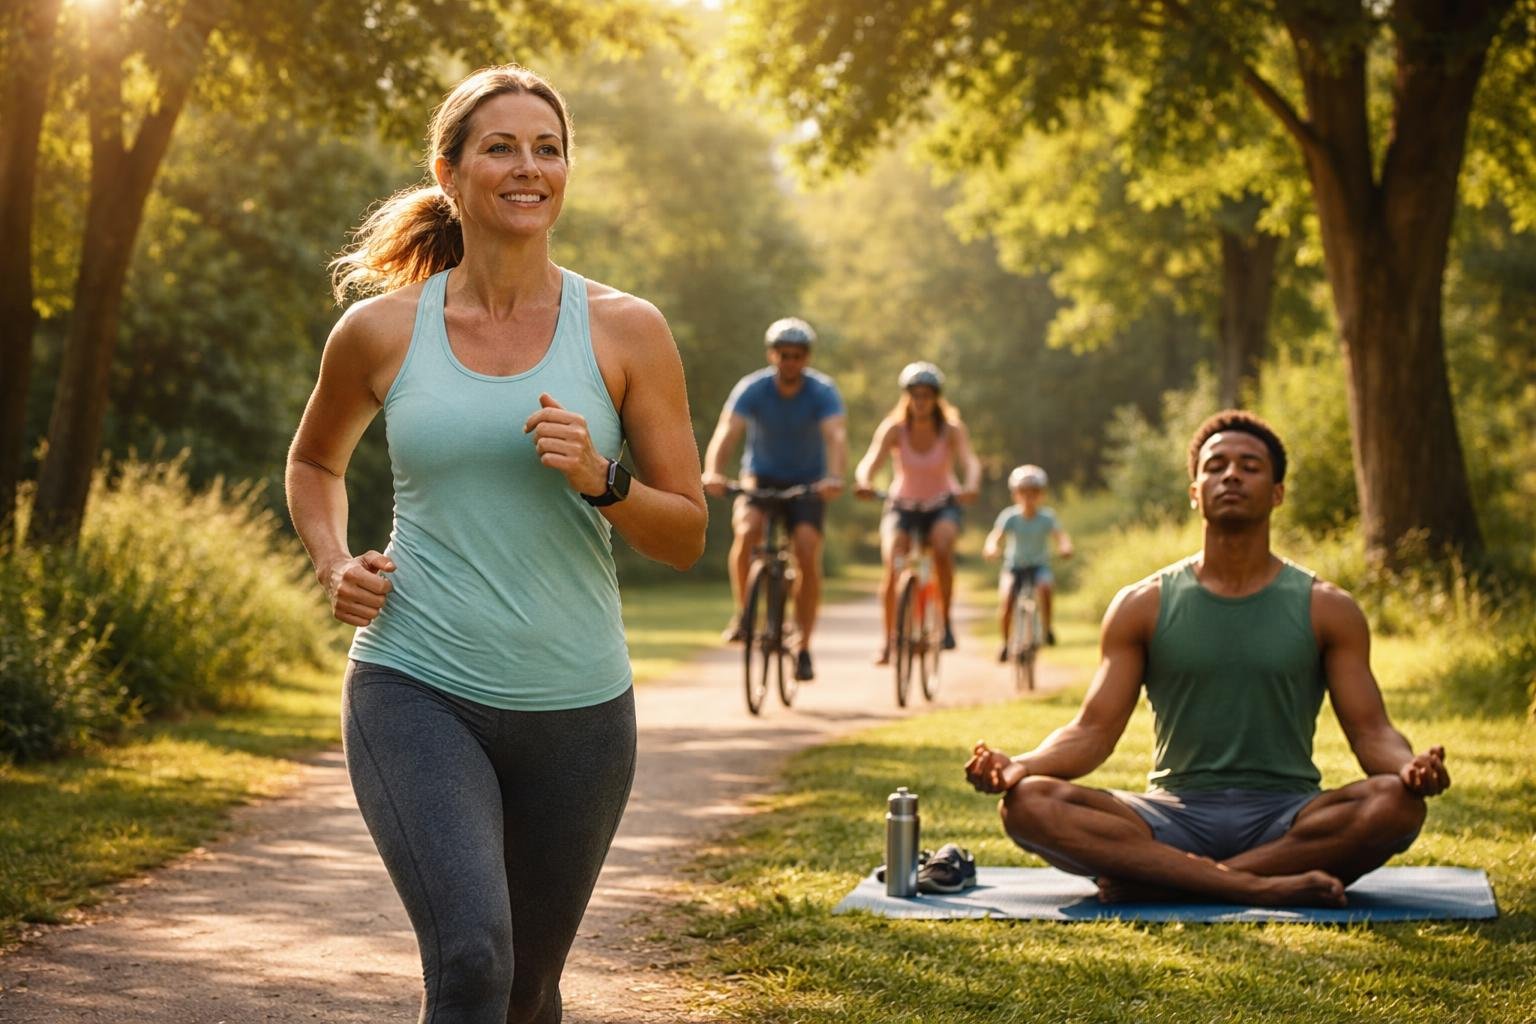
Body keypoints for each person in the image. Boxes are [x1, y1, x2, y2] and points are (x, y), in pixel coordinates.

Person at [285, 65, 706, 1023]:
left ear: (566, 173)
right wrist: (334, 561)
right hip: (416, 681)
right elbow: (313, 462)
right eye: (501, 147)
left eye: (548, 149)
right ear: (450, 172)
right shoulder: (381, 332)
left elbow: (686, 534)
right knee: (472, 956)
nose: (529, 167)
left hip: (580, 708)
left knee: (526, 990)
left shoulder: (627, 330)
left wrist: (601, 477)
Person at [964, 410, 1448, 907]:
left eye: (1249, 466)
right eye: (1216, 466)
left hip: (1286, 819)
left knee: (1396, 804)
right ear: (1195, 491)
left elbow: (1372, 732)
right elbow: (1091, 732)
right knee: (1029, 803)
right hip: (1171, 818)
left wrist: (1408, 767)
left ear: (1277, 493)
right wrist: (1019, 765)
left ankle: (1166, 880)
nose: (1231, 475)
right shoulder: (1143, 604)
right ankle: (1254, 884)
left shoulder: (1328, 608)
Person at [701, 318, 847, 681]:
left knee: (807, 549)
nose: (790, 362)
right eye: (784, 355)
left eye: (797, 355)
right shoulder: (753, 388)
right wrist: (714, 472)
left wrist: (834, 477)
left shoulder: (822, 391)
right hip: (761, 476)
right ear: (772, 355)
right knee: (746, 529)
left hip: (808, 482)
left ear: (807, 358)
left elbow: (836, 436)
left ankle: (804, 646)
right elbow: (727, 431)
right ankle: (744, 615)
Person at [853, 361, 980, 662]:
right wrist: (865, 481)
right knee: (893, 562)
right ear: (907, 396)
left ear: (936, 397)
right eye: (915, 395)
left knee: (942, 546)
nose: (921, 401)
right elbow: (870, 460)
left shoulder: (950, 429)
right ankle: (889, 641)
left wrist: (971, 485)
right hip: (902, 505)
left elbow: (970, 461)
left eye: (927, 395)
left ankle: (945, 622)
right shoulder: (894, 429)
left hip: (941, 504)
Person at [984, 464, 1073, 660]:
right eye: (1023, 492)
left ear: (1041, 495)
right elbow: (996, 535)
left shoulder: (1047, 517)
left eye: (1034, 493)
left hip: (1039, 566)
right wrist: (991, 547)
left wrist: (1065, 547)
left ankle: (1047, 628)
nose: (1028, 497)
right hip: (1014, 567)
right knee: (1007, 599)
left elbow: (1060, 535)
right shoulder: (1010, 516)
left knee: (1046, 588)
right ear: (1015, 494)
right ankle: (1005, 642)